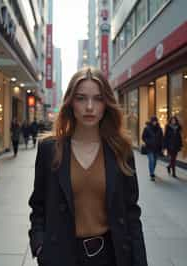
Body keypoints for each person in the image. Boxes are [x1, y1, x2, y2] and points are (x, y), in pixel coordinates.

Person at [28, 67, 148, 266]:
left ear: (106, 104)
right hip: (61, 255)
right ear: (70, 103)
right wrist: (39, 243)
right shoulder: (50, 149)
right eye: (81, 98)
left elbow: (131, 212)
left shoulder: (121, 150)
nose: (90, 107)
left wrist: (140, 260)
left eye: (98, 99)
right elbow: (38, 205)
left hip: (111, 255)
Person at [142, 116, 163, 181]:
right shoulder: (147, 128)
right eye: (153, 121)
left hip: (157, 148)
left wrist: (162, 146)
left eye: (155, 121)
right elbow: (143, 137)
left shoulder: (159, 129)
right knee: (151, 160)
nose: (154, 122)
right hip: (149, 147)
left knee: (155, 161)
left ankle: (152, 171)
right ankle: (151, 174)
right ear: (151, 121)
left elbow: (161, 138)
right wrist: (148, 142)